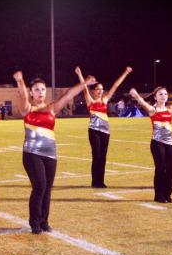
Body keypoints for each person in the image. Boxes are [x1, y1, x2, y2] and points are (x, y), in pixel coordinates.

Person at [13, 70, 96, 234]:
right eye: (36, 89)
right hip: (32, 154)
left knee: (47, 189)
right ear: (31, 92)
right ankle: (35, 223)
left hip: (50, 154)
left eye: (43, 89)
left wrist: (85, 83)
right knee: (39, 187)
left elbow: (67, 94)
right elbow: (22, 95)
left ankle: (44, 222)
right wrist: (20, 80)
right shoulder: (27, 108)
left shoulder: (51, 108)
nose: (40, 92)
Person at [75, 66, 133, 188]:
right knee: (96, 156)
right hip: (94, 131)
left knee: (103, 157)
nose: (100, 91)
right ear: (93, 91)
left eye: (101, 89)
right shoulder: (90, 101)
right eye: (98, 89)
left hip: (105, 132)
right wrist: (80, 75)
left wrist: (125, 73)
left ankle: (100, 181)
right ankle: (95, 181)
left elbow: (115, 86)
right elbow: (84, 88)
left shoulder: (105, 100)